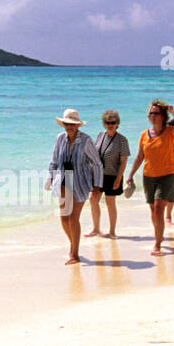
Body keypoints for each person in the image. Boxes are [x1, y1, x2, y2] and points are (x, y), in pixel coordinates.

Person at [45, 108, 103, 265]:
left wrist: (97, 186)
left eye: (72, 124)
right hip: (64, 180)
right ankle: (73, 246)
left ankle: (75, 254)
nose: (69, 126)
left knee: (73, 218)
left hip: (80, 181)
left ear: (78, 125)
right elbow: (54, 160)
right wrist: (49, 176)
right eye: (66, 123)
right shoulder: (60, 138)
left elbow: (97, 163)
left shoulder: (86, 140)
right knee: (64, 218)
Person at [124, 99, 174, 257]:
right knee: (153, 210)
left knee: (158, 209)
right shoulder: (144, 135)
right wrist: (130, 174)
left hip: (168, 175)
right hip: (148, 176)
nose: (153, 116)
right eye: (151, 113)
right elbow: (140, 157)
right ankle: (159, 233)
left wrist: (173, 112)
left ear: (162, 116)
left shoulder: (170, 131)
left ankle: (157, 244)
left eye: (156, 113)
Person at [88, 109, 130, 239]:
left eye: (113, 122)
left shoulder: (122, 140)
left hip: (112, 175)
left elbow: (123, 162)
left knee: (110, 202)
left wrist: (118, 179)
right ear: (104, 123)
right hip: (98, 175)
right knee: (93, 199)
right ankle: (96, 229)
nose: (110, 125)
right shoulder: (100, 135)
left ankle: (112, 231)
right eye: (107, 122)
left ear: (117, 123)